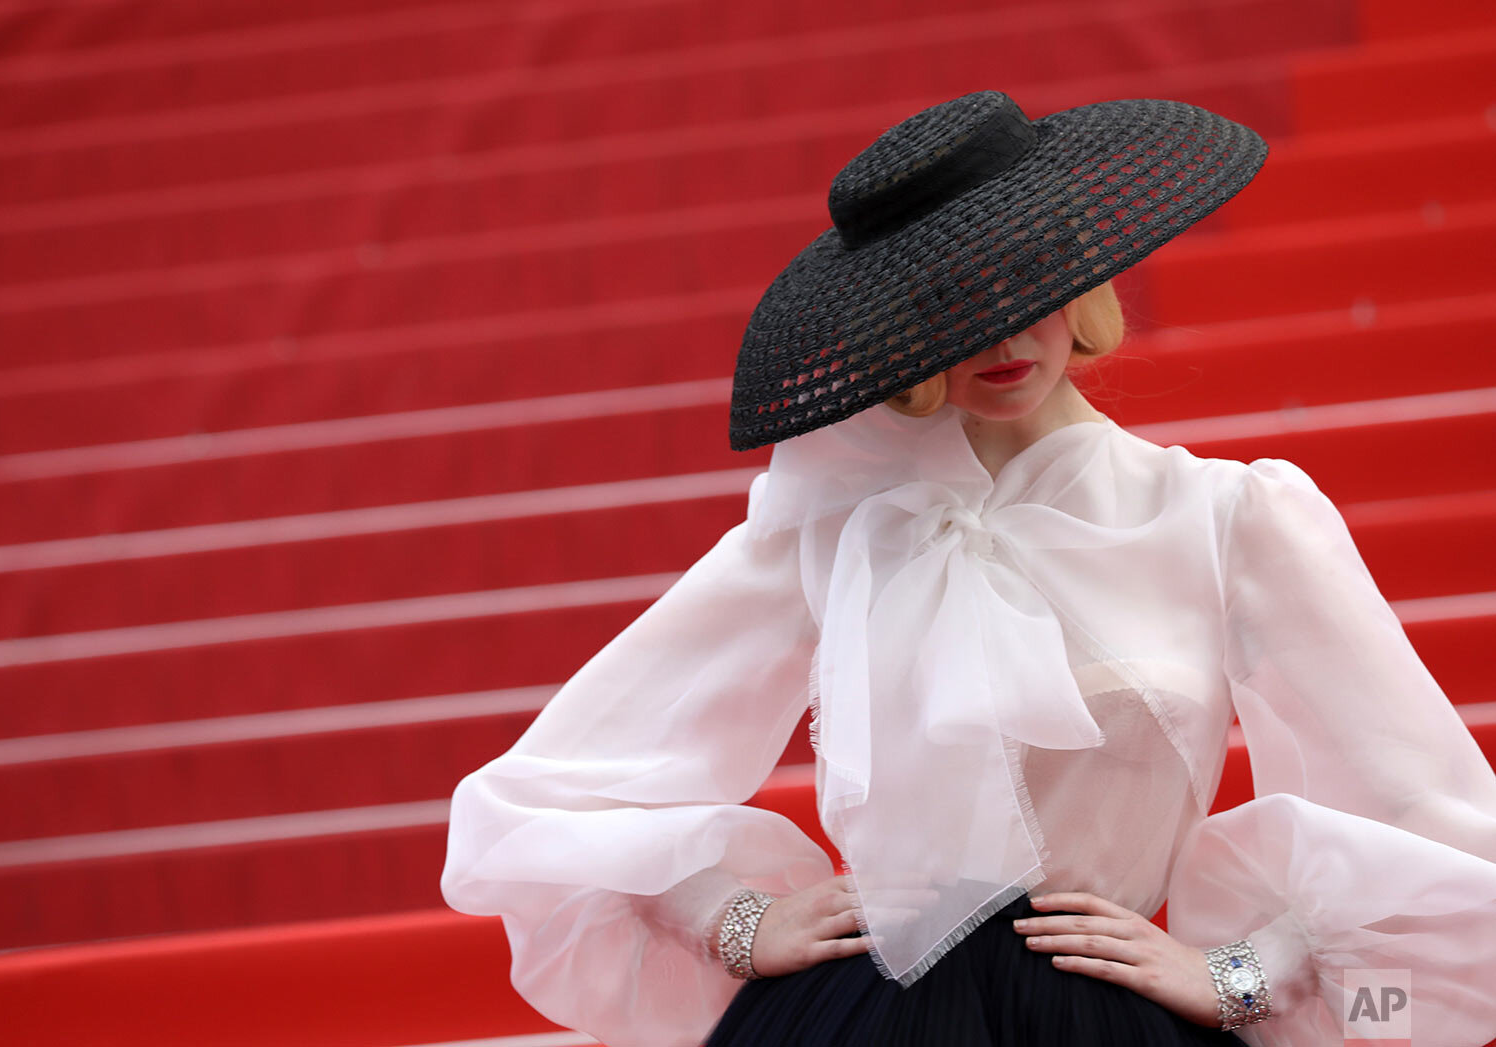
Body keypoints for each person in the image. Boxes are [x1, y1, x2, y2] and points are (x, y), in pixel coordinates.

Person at [440, 91, 1496, 1047]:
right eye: (947, 297)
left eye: (1025, 274)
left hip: (1104, 1015)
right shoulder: (827, 525)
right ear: (891, 327)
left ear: (1084, 270)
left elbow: (1431, 820)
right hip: (854, 1012)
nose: (994, 325)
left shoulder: (1233, 520)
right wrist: (736, 920)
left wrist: (1241, 975)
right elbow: (550, 797)